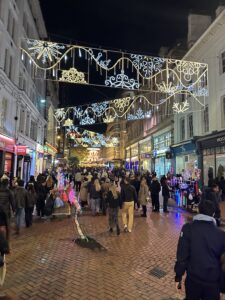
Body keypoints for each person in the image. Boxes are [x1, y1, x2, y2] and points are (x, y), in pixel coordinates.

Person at [174, 200, 225, 300]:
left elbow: (182, 255)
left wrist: (178, 276)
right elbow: (224, 263)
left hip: (193, 279)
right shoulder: (221, 235)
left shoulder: (188, 228)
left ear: (198, 210)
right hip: (213, 282)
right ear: (213, 214)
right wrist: (223, 287)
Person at [0, 178, 14, 247]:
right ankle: (6, 242)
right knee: (7, 226)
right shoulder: (9, 191)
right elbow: (12, 202)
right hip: (5, 211)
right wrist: (14, 210)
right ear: (7, 184)